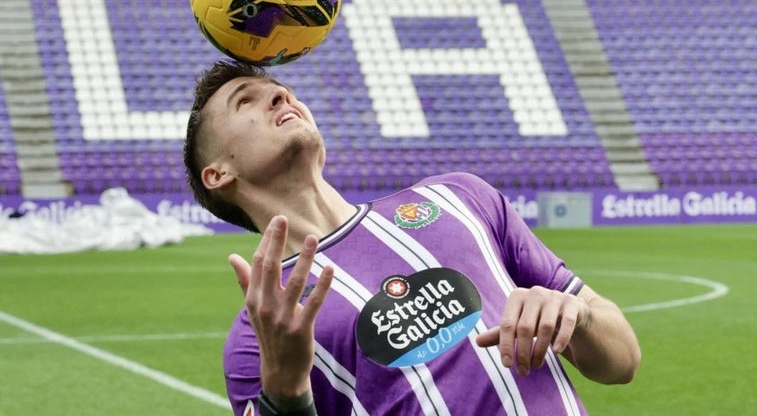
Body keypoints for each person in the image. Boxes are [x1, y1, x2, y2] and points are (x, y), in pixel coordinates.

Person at [184, 59, 641, 416]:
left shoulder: (461, 198)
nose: (282, 96)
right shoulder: (259, 334)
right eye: (246, 101)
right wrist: (284, 389)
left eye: (281, 92)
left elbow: (624, 362)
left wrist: (578, 316)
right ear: (217, 173)